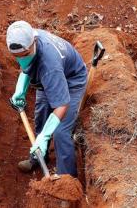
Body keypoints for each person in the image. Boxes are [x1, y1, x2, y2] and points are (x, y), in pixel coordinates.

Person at [7, 21, 87, 177]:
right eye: (16, 57)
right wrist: (20, 90)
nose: (21, 59)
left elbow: (62, 104)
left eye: (24, 55)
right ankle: (38, 156)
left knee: (60, 130)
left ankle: (66, 179)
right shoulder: (26, 36)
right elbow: (27, 66)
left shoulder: (50, 67)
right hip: (49, 76)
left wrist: (44, 136)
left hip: (72, 80)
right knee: (41, 115)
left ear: (34, 43)